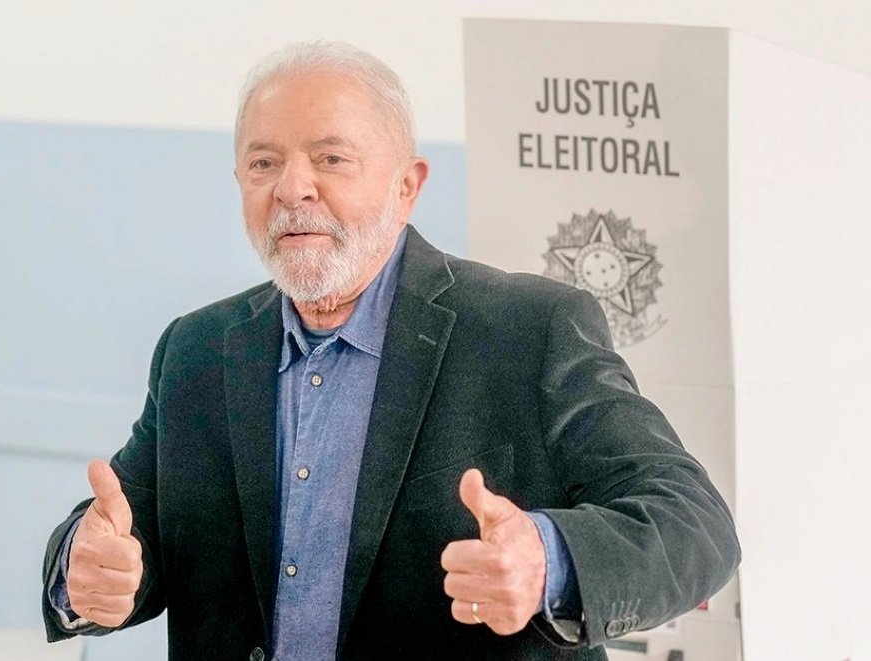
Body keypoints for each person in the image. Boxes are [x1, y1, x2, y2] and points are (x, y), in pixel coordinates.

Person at [42, 41, 740, 660]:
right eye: (263, 162)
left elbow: (695, 525)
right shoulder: (195, 349)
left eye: (331, 158)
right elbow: (123, 534)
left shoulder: (530, 330)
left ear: (407, 186)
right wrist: (85, 568)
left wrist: (546, 561)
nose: (292, 187)